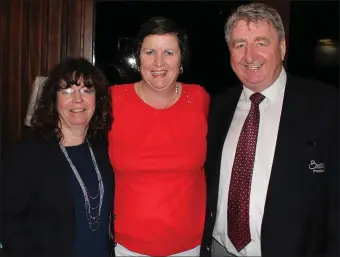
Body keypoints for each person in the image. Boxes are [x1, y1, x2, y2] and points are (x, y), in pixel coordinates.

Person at [200, 3, 338, 257]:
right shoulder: (218, 106)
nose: (250, 56)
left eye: (261, 43)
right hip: (219, 249)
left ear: (282, 48)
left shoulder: (326, 106)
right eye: (239, 44)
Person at [108, 17, 210, 256]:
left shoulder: (199, 99)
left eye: (169, 53)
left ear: (181, 59)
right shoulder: (112, 100)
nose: (158, 62)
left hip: (189, 246)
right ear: (138, 57)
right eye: (150, 51)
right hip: (126, 247)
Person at [2, 57, 115, 257]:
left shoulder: (102, 148)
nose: (78, 99)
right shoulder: (27, 154)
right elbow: (8, 221)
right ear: (54, 99)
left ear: (97, 99)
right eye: (67, 91)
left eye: (87, 90)